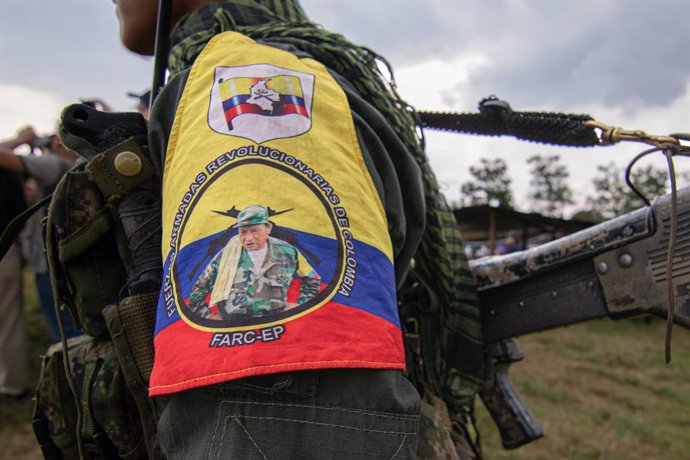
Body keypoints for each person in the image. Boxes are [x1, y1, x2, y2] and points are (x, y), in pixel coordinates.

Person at [111, 0, 483, 458]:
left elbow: (284, 432)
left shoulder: (243, 80)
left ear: (268, 229)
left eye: (256, 226)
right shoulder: (222, 255)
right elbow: (201, 295)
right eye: (243, 229)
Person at [0, 127, 80, 341]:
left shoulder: (55, 165)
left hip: (49, 268)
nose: (52, 144)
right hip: (61, 263)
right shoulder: (73, 167)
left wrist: (21, 140)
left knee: (66, 336)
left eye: (56, 140)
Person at [188, 204, 320, 321]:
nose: (248, 238)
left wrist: (300, 304)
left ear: (268, 228)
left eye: (255, 230)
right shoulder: (226, 256)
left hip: (276, 325)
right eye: (243, 232)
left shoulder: (288, 251)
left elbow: (312, 279)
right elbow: (199, 290)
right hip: (235, 330)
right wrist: (207, 316)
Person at [0, 139, 29, 402]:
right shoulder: (8, 167)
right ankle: (12, 385)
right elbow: (20, 209)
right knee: (8, 321)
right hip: (5, 246)